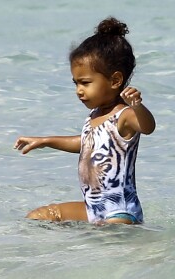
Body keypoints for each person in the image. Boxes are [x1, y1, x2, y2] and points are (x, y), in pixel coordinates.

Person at [14, 17, 155, 225]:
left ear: (115, 80)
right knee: (40, 215)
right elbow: (85, 143)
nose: (79, 90)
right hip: (93, 207)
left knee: (106, 242)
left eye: (85, 83)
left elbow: (147, 127)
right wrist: (45, 141)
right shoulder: (95, 116)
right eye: (76, 83)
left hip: (120, 212)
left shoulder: (124, 115)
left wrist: (137, 106)